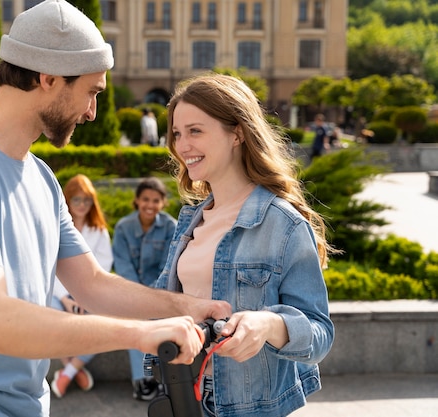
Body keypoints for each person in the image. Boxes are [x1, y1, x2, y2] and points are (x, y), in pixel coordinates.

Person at [0, 2, 231, 416]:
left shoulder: (40, 177)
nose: (92, 112)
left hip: (27, 405)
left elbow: (90, 283)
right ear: (48, 78)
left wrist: (185, 307)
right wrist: (141, 335)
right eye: (91, 92)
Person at [153, 73, 335, 417]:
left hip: (247, 407)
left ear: (236, 132)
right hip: (182, 396)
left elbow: (320, 333)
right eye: (177, 133)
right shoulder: (191, 219)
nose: (182, 145)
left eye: (195, 131)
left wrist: (268, 324)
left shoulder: (283, 223)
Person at [112, 177, 177, 400]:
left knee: (158, 322)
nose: (150, 205)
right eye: (145, 199)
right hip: (130, 292)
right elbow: (122, 266)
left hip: (161, 291)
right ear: (137, 201)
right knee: (133, 322)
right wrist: (137, 296)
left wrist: (150, 296)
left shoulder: (171, 227)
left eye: (156, 200)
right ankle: (142, 381)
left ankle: (162, 379)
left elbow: (168, 267)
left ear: (163, 203)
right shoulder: (123, 227)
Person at [50, 174, 113, 398]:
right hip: (58, 292)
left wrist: (81, 296)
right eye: (77, 200)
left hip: (88, 293)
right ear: (67, 200)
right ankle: (74, 369)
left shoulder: (98, 230)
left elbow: (102, 267)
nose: (82, 205)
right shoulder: (54, 228)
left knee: (101, 324)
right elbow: (49, 266)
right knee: (51, 317)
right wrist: (65, 297)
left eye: (87, 200)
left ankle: (67, 372)